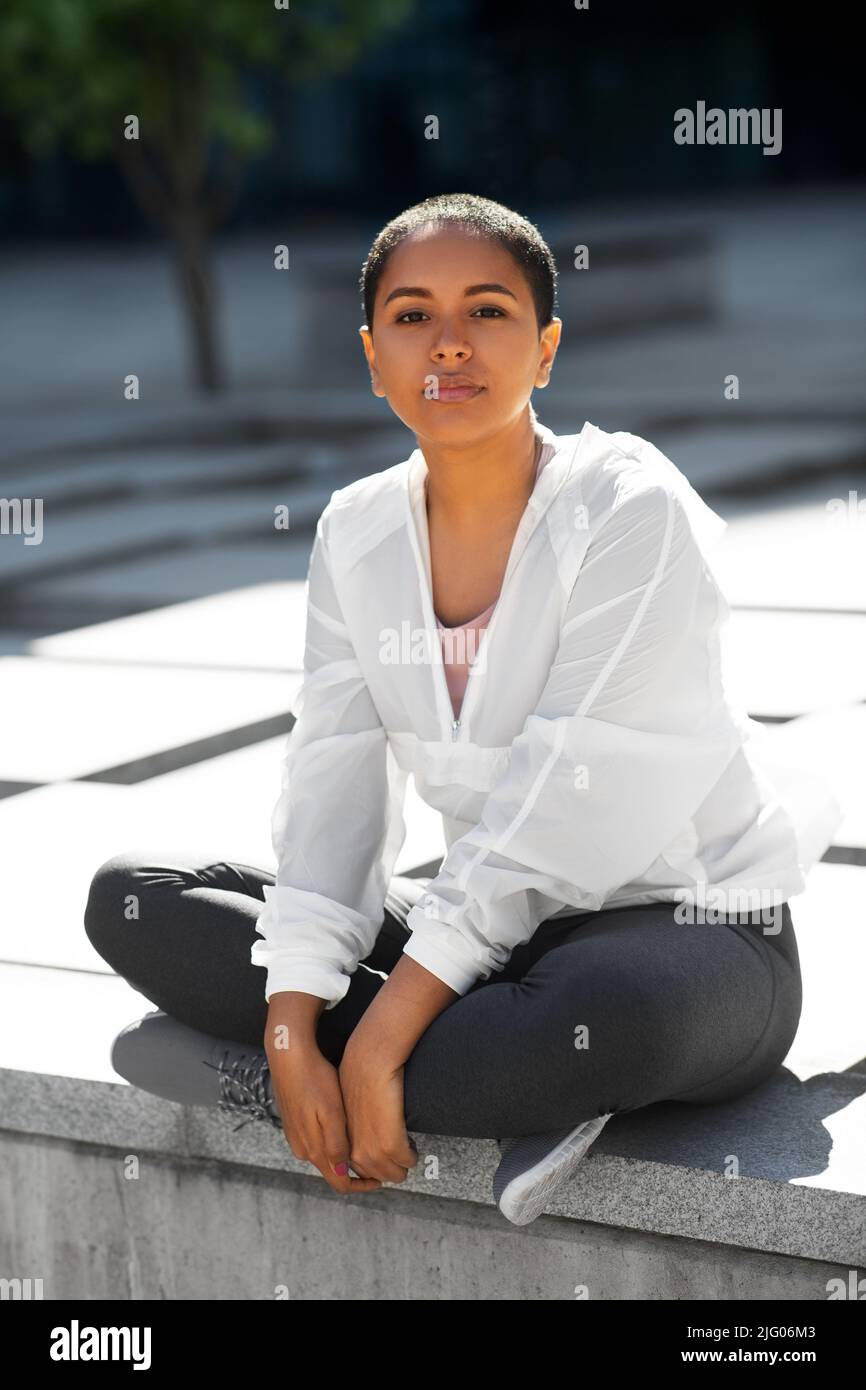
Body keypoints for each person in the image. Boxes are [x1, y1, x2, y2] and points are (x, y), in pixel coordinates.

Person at [84, 192, 823, 1228]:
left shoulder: (627, 506)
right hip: (480, 941)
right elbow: (333, 783)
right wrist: (294, 1021)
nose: (448, 344)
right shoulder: (355, 530)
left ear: (546, 348)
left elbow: (561, 811)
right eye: (410, 316)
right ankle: (398, 1077)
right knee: (134, 897)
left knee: (586, 1019)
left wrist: (384, 1030)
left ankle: (371, 1076)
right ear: (373, 356)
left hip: (690, 934)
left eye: (486, 311)